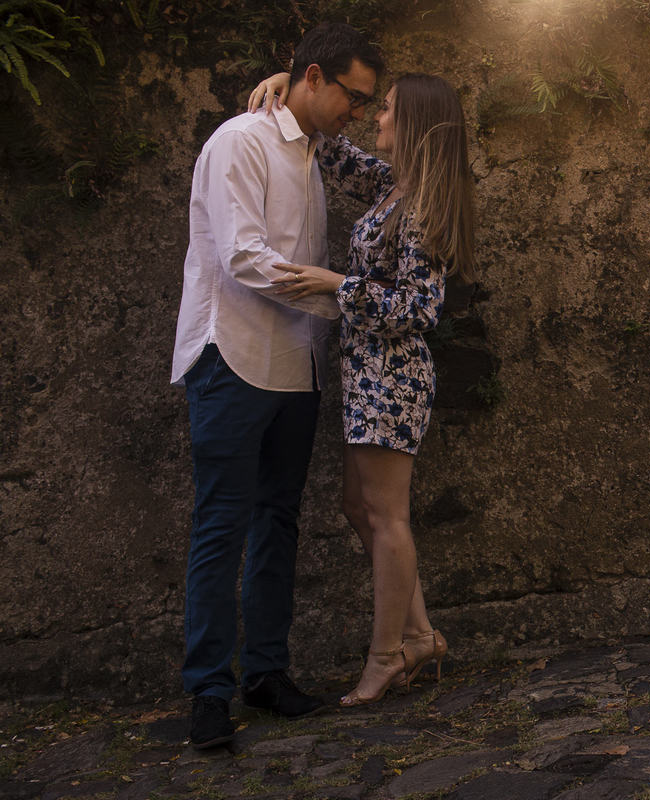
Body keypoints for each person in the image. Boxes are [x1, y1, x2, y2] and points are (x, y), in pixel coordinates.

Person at [171, 23, 383, 748]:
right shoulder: (241, 141)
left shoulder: (317, 153)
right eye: (353, 97)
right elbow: (243, 258)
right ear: (315, 76)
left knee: (278, 523)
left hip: (297, 366)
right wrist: (341, 297)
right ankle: (207, 691)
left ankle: (265, 674)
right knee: (221, 524)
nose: (357, 113)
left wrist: (328, 312)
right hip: (231, 357)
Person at [247, 70, 476, 706]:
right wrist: (287, 86)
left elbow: (420, 308)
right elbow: (333, 150)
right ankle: (420, 635)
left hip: (392, 376)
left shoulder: (425, 204)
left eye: (390, 111)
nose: (375, 119)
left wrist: (333, 282)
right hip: (368, 372)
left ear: (417, 126)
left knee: (386, 515)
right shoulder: (397, 187)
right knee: (360, 507)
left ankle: (387, 655)